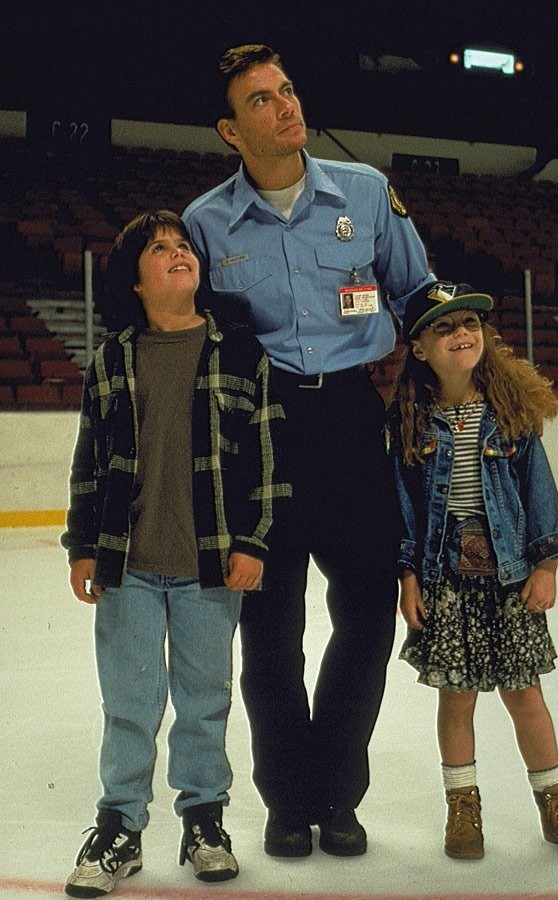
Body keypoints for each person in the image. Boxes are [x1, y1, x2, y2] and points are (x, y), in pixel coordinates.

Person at [182, 44, 436, 858]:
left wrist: (426, 395)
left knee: (364, 618)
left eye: (287, 89)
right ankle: (287, 800)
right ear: (231, 129)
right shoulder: (205, 222)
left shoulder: (363, 193)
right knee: (269, 629)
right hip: (264, 433)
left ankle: (338, 791)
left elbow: (418, 293)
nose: (285, 105)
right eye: (261, 99)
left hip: (356, 423)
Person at [60, 210, 290, 896]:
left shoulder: (243, 355)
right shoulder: (110, 361)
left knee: (203, 698)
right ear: (136, 281)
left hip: (209, 566)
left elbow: (268, 464)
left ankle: (204, 820)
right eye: (159, 249)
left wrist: (254, 541)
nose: (177, 253)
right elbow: (88, 464)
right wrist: (80, 545)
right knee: (130, 699)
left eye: (184, 245)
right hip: (126, 564)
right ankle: (120, 826)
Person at [388, 281, 558, 861]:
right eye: (444, 328)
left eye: (470, 325)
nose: (461, 334)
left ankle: (557, 802)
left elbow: (540, 493)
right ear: (420, 348)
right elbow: (404, 507)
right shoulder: (409, 419)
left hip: (510, 574)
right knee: (456, 698)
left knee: (524, 694)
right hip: (445, 578)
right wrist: (409, 577)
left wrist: (547, 562)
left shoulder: (508, 414)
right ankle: (463, 807)